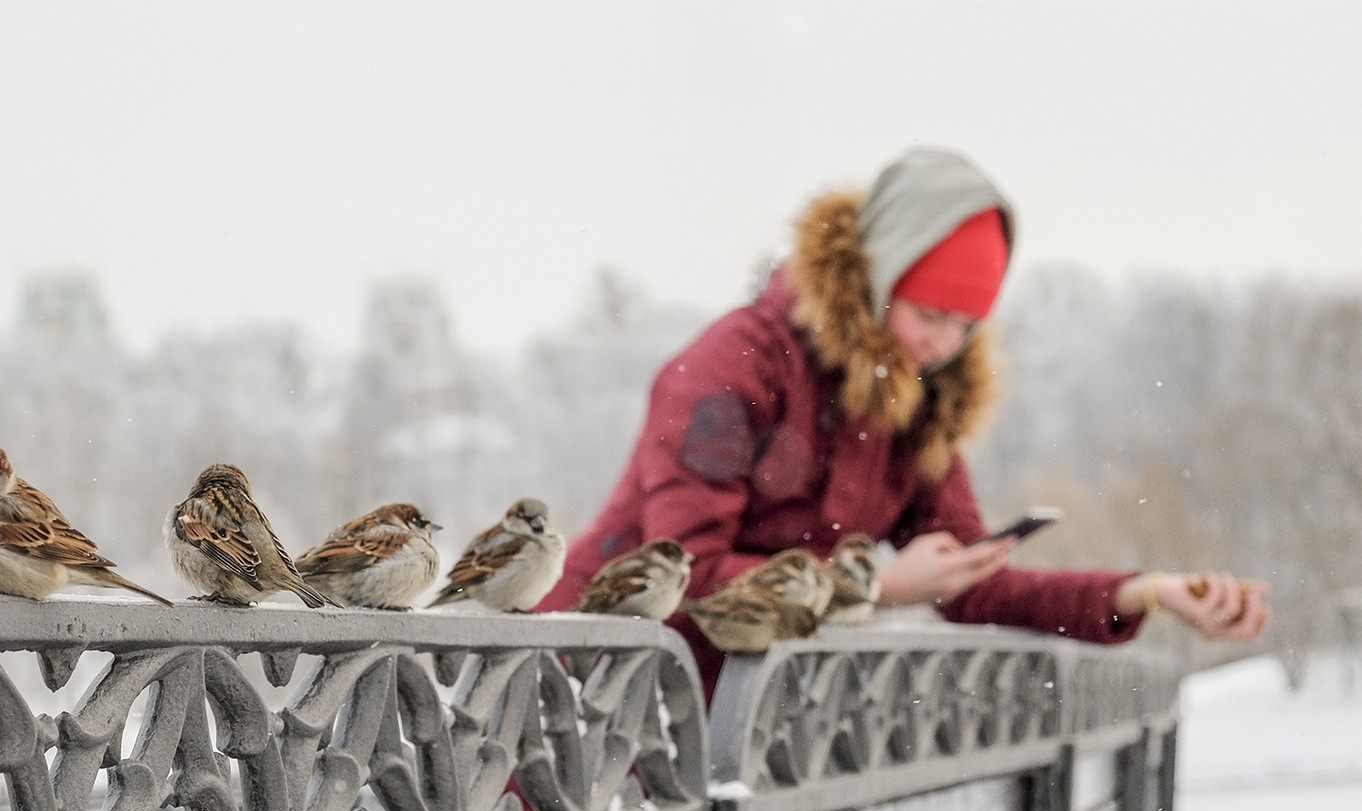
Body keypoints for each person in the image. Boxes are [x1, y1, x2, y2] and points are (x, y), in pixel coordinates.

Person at [534, 147, 1269, 698]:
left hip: (728, 722)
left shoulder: (916, 412)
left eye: (965, 325)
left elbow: (972, 583)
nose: (942, 345)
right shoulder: (734, 366)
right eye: (929, 314)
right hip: (596, 688)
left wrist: (1144, 591)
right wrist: (873, 590)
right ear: (877, 283)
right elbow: (684, 575)